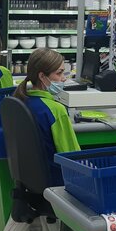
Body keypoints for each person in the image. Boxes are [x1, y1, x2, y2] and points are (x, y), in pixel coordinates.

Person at [13, 48, 80, 185]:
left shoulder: (20, 101)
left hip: (29, 180)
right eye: (59, 73)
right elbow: (73, 157)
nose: (64, 78)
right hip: (57, 181)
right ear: (42, 76)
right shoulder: (56, 110)